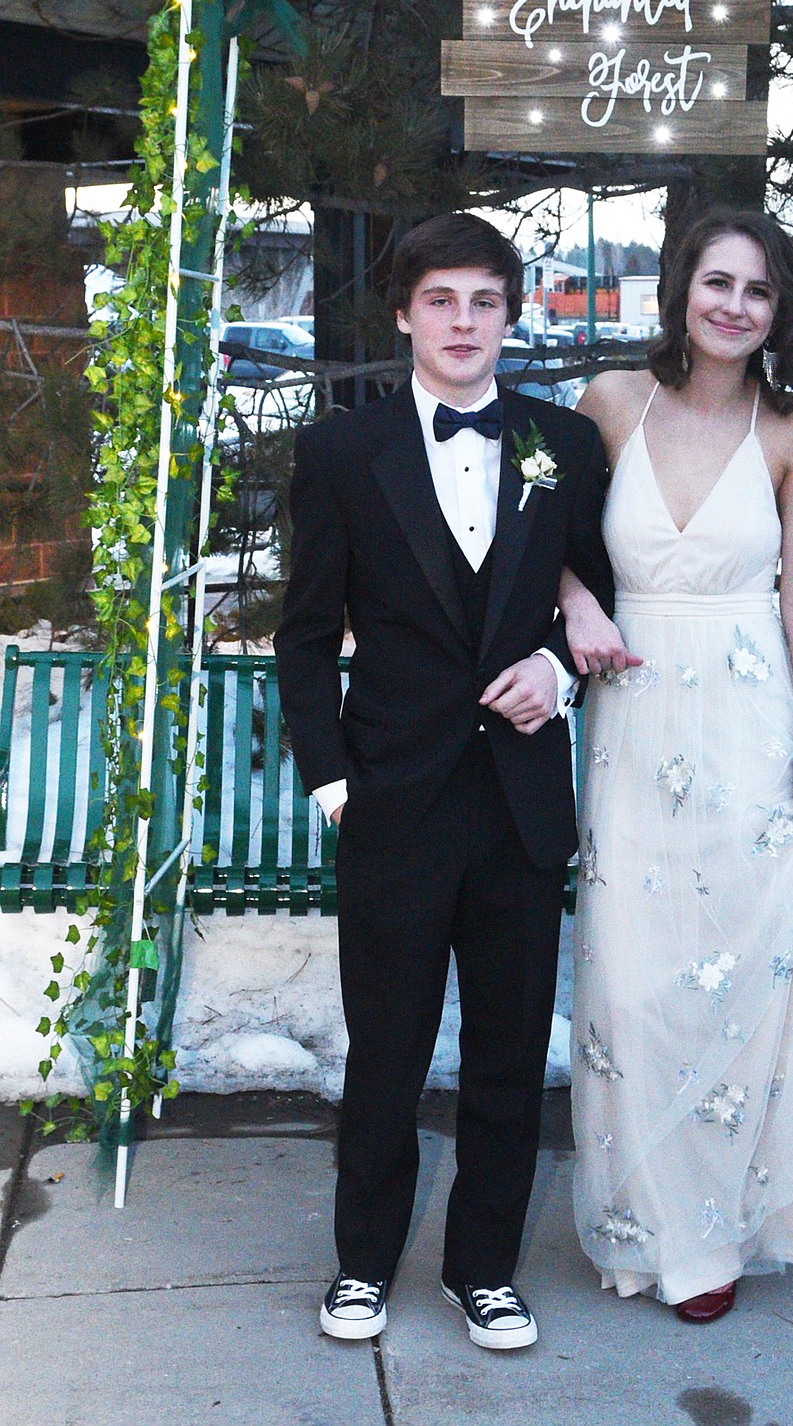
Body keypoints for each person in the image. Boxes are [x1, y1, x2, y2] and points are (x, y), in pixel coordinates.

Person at [274, 212, 613, 1348]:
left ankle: (484, 1267)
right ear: (406, 315)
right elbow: (306, 633)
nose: (463, 322)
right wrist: (333, 782)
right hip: (393, 798)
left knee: (513, 1053)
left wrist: (557, 671)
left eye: (485, 301)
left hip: (518, 802)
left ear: (511, 315)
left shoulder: (562, 441)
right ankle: (363, 1261)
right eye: (441, 302)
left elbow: (595, 599)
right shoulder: (340, 454)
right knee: (385, 1050)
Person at [559, 206, 793, 1322]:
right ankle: (651, 1221)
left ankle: (724, 1230)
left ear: (778, 309)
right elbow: (541, 538)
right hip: (635, 713)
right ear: (681, 290)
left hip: (748, 721)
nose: (734, 305)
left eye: (758, 289)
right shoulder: (609, 402)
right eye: (717, 281)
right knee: (637, 980)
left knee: (745, 965)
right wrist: (576, 598)